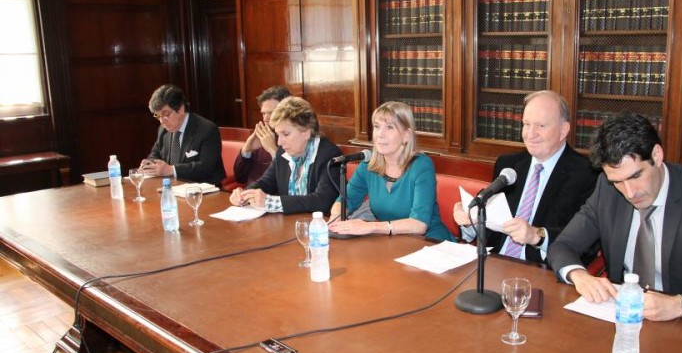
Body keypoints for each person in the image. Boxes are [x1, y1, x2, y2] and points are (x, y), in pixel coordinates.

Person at [548, 112, 682, 320]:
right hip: (623, 318)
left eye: (636, 176)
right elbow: (562, 246)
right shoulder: (607, 190)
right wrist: (580, 276)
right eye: (617, 181)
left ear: (656, 155)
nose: (629, 192)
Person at [453, 90, 598, 264]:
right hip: (493, 264)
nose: (530, 134)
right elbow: (491, 225)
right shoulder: (508, 165)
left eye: (541, 126)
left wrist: (537, 235)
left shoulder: (588, 174)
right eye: (526, 124)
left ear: (563, 130)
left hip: (543, 271)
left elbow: (587, 241)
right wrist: (470, 221)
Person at [328, 101, 453, 241]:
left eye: (389, 127)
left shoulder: (421, 166)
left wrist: (371, 227)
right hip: (392, 243)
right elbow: (345, 201)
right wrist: (335, 222)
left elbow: (419, 225)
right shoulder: (368, 165)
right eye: (377, 126)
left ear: (406, 135)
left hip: (429, 243)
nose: (380, 134)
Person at [229, 97, 341, 214]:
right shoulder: (283, 152)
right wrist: (244, 195)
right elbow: (265, 183)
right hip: (288, 224)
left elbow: (322, 201)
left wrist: (269, 202)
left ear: (306, 132)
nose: (279, 142)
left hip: (319, 226)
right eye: (278, 134)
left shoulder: (330, 155)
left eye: (286, 134)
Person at [141, 84, 225, 185]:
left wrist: (170, 170)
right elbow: (155, 153)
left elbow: (206, 167)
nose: (161, 121)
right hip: (172, 186)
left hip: (202, 189)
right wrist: (149, 164)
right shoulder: (163, 130)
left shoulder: (207, 129)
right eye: (158, 116)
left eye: (165, 114)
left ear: (180, 109)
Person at [234, 85, 292, 185]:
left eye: (271, 113)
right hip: (250, 196)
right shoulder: (261, 136)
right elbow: (240, 178)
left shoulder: (296, 139)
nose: (265, 119)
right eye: (263, 113)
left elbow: (290, 183)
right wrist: (246, 151)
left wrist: (273, 150)